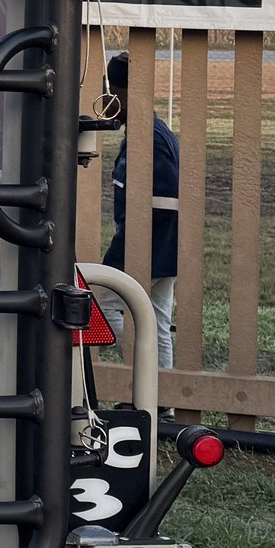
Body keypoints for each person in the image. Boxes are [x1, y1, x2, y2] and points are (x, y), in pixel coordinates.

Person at [99, 50, 178, 368]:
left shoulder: (150, 138)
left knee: (106, 307)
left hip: (146, 251)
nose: (106, 101)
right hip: (165, 250)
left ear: (124, 93)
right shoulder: (153, 131)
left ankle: (138, 379)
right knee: (156, 324)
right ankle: (161, 402)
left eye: (111, 93)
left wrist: (123, 252)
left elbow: (163, 200)